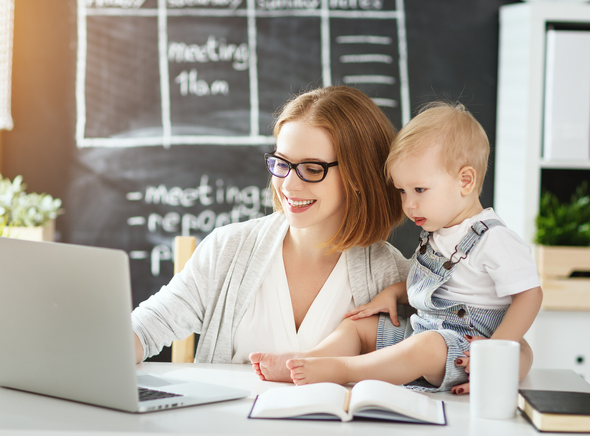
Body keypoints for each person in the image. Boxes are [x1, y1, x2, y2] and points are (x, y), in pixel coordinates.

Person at [249, 101, 543, 393]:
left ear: (465, 181)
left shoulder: (494, 239)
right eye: (402, 191)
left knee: (425, 346)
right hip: (423, 330)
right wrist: (393, 293)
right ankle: (309, 359)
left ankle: (342, 369)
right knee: (359, 328)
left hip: (463, 347)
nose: (408, 204)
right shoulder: (437, 234)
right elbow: (437, 285)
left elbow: (530, 295)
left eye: (419, 190)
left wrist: (495, 354)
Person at [131, 86, 410, 364]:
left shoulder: (394, 277)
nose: (288, 185)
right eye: (282, 163)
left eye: (312, 169)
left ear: (359, 176)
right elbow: (146, 327)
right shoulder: (227, 249)